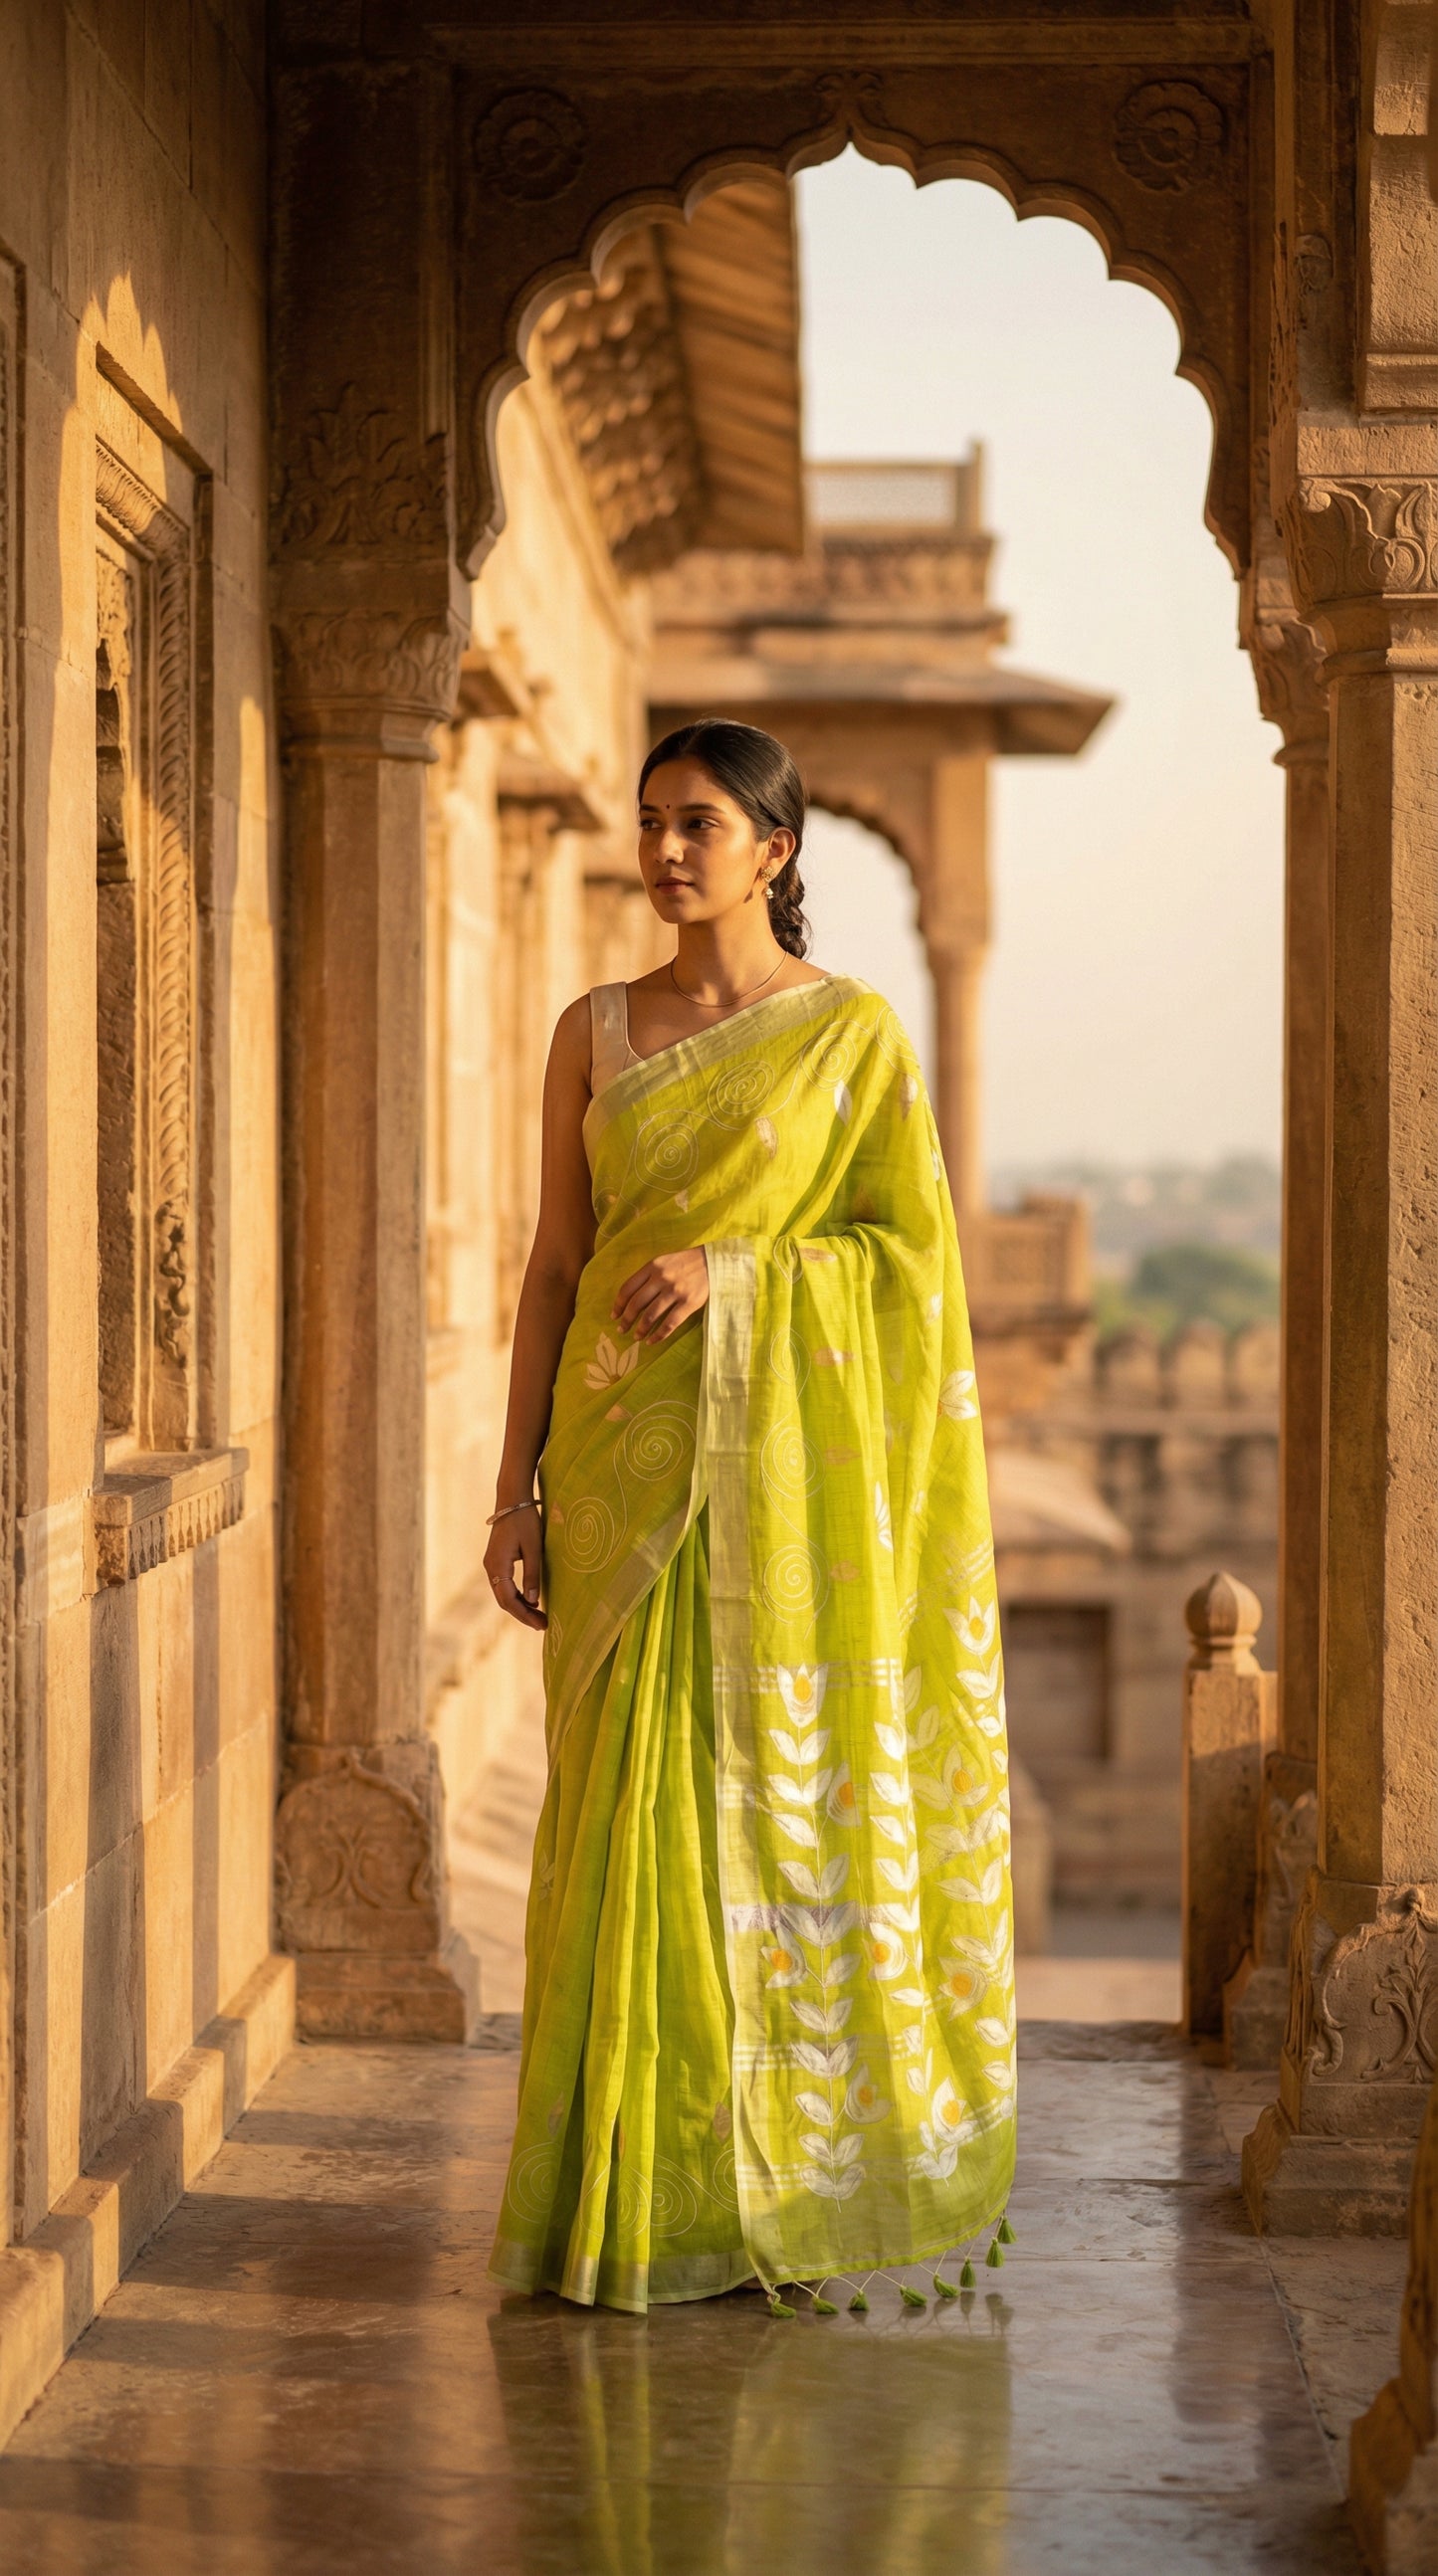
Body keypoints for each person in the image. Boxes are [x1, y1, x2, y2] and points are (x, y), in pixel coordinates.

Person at [485, 717, 1015, 2316]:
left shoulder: (850, 1039)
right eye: (650, 822)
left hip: (778, 1489)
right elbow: (552, 1272)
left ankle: (742, 2181)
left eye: (698, 824)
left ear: (774, 851)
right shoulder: (593, 1027)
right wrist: (512, 1487)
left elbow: (912, 1273)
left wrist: (738, 1272)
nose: (663, 852)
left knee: (751, 1816)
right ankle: (623, 2189)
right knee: (627, 1825)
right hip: (617, 1461)